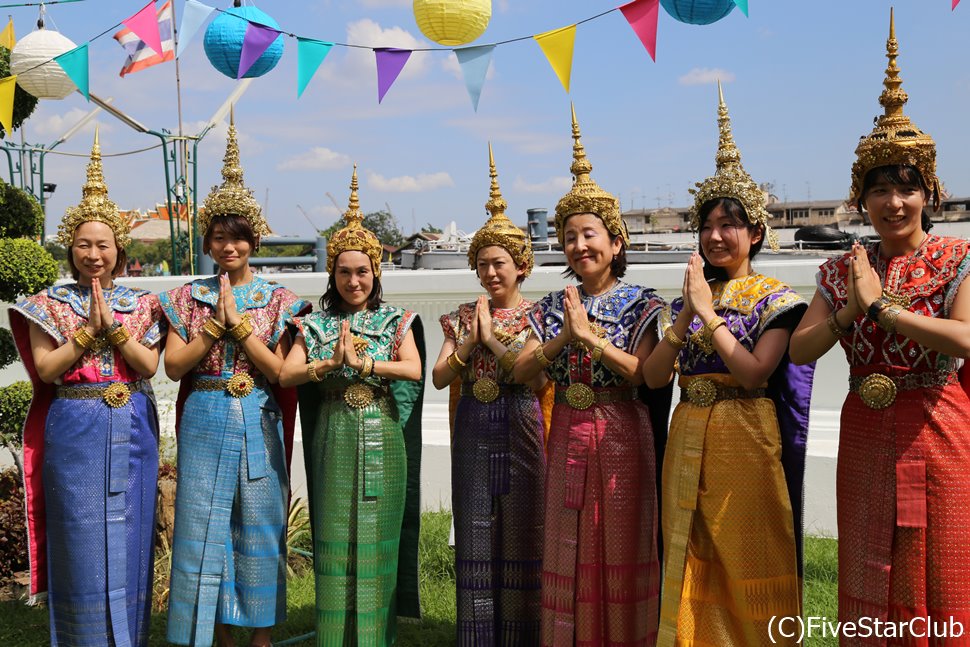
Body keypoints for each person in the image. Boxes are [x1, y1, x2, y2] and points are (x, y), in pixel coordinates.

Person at [789, 10, 970, 641]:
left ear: (930, 193)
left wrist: (883, 310)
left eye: (907, 187)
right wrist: (849, 307)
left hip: (934, 423)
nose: (894, 202)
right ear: (861, 198)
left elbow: (967, 337)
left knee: (935, 559)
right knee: (869, 558)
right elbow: (800, 349)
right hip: (867, 428)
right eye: (879, 189)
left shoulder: (957, 257)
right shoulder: (846, 267)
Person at [643, 84, 814, 646]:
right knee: (688, 551)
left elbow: (754, 373)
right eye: (707, 226)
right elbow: (653, 377)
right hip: (688, 428)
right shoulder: (690, 295)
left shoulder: (776, 297)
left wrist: (707, 314)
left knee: (746, 551)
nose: (716, 236)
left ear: (756, 233)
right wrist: (683, 317)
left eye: (729, 225)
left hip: (745, 433)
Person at [513, 106, 664, 647]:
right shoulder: (554, 305)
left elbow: (646, 374)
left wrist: (593, 339)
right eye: (570, 236)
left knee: (618, 540)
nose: (580, 245)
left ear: (616, 243)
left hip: (621, 428)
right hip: (568, 429)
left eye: (590, 234)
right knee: (567, 542)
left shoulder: (641, 303)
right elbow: (522, 368)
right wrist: (564, 337)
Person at [160, 112, 310, 647]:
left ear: (255, 241)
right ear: (207, 240)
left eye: (239, 239)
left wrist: (239, 329)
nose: (229, 248)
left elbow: (279, 371)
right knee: (205, 528)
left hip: (260, 415)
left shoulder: (283, 301)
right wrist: (211, 331)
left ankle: (261, 639)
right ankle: (215, 635)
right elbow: (174, 366)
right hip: (203, 410)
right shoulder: (184, 297)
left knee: (261, 526)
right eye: (219, 238)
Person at [9, 132, 165, 646]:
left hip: (133, 423)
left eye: (103, 245)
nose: (93, 254)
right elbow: (50, 369)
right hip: (75, 428)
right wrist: (85, 332)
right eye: (83, 244)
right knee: (79, 538)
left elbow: (147, 366)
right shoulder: (45, 304)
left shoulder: (142, 305)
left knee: (131, 532)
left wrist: (113, 328)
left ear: (119, 249)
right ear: (69, 248)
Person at [279, 166, 425, 646]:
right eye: (344, 271)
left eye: (362, 271)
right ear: (332, 274)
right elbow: (286, 374)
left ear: (375, 273)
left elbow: (414, 370)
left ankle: (375, 638)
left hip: (382, 434)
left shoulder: (396, 319)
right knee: (337, 542)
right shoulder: (316, 323)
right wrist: (326, 365)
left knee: (377, 543)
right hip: (335, 433)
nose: (353, 280)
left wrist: (364, 366)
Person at [431, 144, 546, 645]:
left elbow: (536, 379)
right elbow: (438, 376)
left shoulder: (543, 316)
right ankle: (477, 635)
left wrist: (492, 341)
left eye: (500, 263)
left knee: (523, 531)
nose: (491, 273)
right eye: (482, 264)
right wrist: (468, 344)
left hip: (523, 424)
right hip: (475, 426)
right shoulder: (462, 315)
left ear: (522, 265)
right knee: (477, 533)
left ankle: (522, 634)